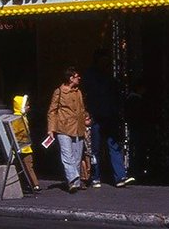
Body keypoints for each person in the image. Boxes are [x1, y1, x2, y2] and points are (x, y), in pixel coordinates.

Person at [82, 49, 134, 187]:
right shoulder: (102, 77)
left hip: (105, 115)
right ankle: (98, 176)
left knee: (108, 146)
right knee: (98, 148)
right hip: (100, 115)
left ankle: (117, 176)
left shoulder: (102, 77)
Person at [47, 66, 88, 192]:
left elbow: (81, 110)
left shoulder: (78, 92)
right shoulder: (59, 92)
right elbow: (52, 111)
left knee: (77, 155)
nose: (79, 78)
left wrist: (85, 125)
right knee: (67, 155)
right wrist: (51, 129)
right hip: (63, 128)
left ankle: (74, 182)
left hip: (78, 128)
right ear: (71, 78)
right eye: (77, 76)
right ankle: (73, 178)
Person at [10, 94, 40, 191]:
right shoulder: (19, 119)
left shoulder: (18, 117)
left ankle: (26, 183)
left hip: (20, 146)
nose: (29, 107)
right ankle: (35, 184)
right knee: (28, 165)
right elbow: (21, 134)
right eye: (27, 106)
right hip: (24, 147)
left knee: (22, 166)